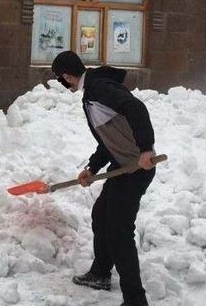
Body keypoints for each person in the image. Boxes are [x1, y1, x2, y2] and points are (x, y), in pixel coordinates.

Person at [51, 50, 157, 306]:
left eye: (60, 79)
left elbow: (136, 107)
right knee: (101, 215)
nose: (62, 84)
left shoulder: (99, 89)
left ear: (67, 76)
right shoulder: (92, 93)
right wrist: (93, 168)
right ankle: (100, 272)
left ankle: (135, 300)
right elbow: (108, 139)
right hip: (123, 166)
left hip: (135, 169)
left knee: (119, 231)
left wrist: (146, 147)